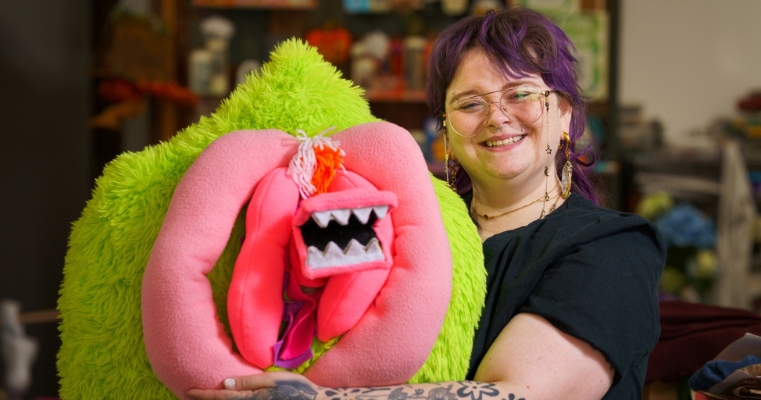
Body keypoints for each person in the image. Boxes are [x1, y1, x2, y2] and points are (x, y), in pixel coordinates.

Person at [187, 7, 665, 400]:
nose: (497, 117)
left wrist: (317, 398)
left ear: (563, 113)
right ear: (447, 133)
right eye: (470, 103)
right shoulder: (409, 225)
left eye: (521, 94)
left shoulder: (615, 247)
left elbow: (516, 393)